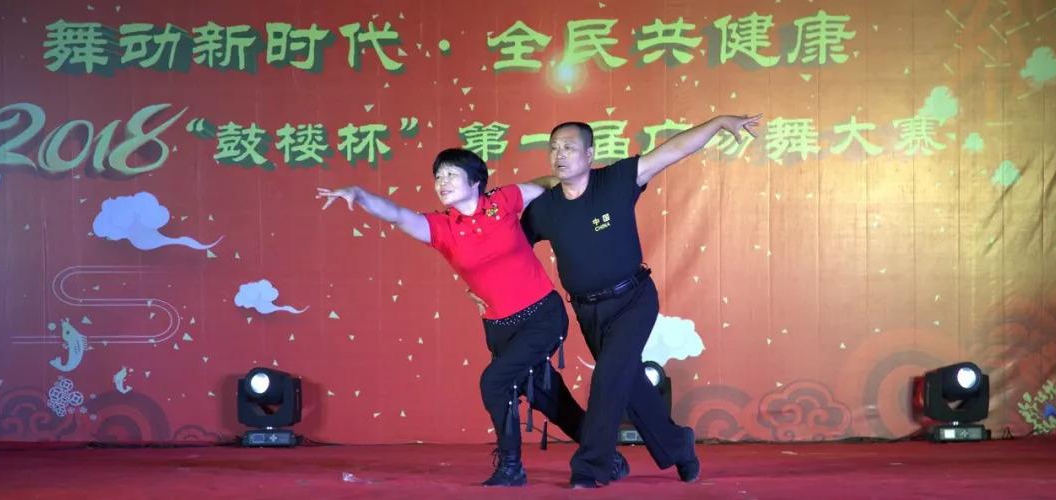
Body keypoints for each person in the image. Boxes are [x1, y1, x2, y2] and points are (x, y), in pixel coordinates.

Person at [316, 148, 627, 487]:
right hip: (499, 329)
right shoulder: (442, 228)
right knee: (545, 396)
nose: (442, 182)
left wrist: (588, 196)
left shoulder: (503, 201)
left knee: (495, 382)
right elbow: (397, 215)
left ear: (476, 180)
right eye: (438, 177)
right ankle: (608, 457)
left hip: (543, 316)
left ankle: (511, 468)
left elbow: (548, 184)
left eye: (451, 174)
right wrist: (360, 195)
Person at [519, 114, 761, 488]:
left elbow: (672, 151)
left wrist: (717, 123)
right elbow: (511, 251)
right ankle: (678, 445)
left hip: (632, 300)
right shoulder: (545, 208)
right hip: (587, 311)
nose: (559, 155)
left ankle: (591, 467)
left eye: (569, 147)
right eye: (553, 148)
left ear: (589, 153)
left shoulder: (615, 181)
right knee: (628, 384)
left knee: (608, 378)